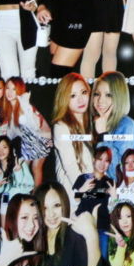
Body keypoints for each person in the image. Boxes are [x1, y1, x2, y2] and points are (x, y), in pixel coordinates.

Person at [35, 182, 101, 266]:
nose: (51, 214)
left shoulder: (75, 236)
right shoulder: (34, 239)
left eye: (56, 205)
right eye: (44, 208)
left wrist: (92, 236)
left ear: (64, 204)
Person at [51, 73, 94, 207]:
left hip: (93, 188)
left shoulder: (93, 122)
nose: (80, 100)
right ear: (64, 99)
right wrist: (83, 192)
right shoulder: (61, 127)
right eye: (73, 96)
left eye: (83, 92)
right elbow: (70, 165)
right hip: (75, 192)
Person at [1, 78, 52, 187]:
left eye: (14, 89)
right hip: (28, 138)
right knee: (23, 167)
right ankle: (25, 191)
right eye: (7, 88)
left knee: (35, 167)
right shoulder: (9, 107)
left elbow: (35, 125)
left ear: (19, 90)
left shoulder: (24, 105)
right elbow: (12, 132)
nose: (9, 92)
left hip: (42, 137)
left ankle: (36, 194)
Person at [91, 71, 134, 178]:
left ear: (119, 97)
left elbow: (119, 175)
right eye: (97, 94)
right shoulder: (91, 122)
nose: (100, 100)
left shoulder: (127, 125)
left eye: (108, 95)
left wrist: (103, 135)